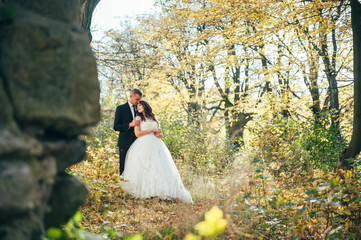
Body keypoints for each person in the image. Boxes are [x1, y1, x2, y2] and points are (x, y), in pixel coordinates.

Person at [120, 100, 193, 203]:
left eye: (140, 105)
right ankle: (145, 193)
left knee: (159, 166)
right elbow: (137, 134)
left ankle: (160, 192)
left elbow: (160, 133)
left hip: (157, 144)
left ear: (145, 106)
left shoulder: (153, 118)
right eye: (137, 106)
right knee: (145, 166)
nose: (138, 108)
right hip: (143, 144)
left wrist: (159, 135)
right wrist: (151, 131)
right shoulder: (138, 118)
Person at [113, 88, 143, 176]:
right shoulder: (120, 108)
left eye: (139, 100)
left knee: (136, 166)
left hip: (138, 143)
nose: (138, 102)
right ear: (130, 96)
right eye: (137, 99)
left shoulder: (140, 109)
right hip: (125, 143)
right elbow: (116, 126)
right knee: (123, 167)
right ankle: (122, 187)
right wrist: (130, 124)